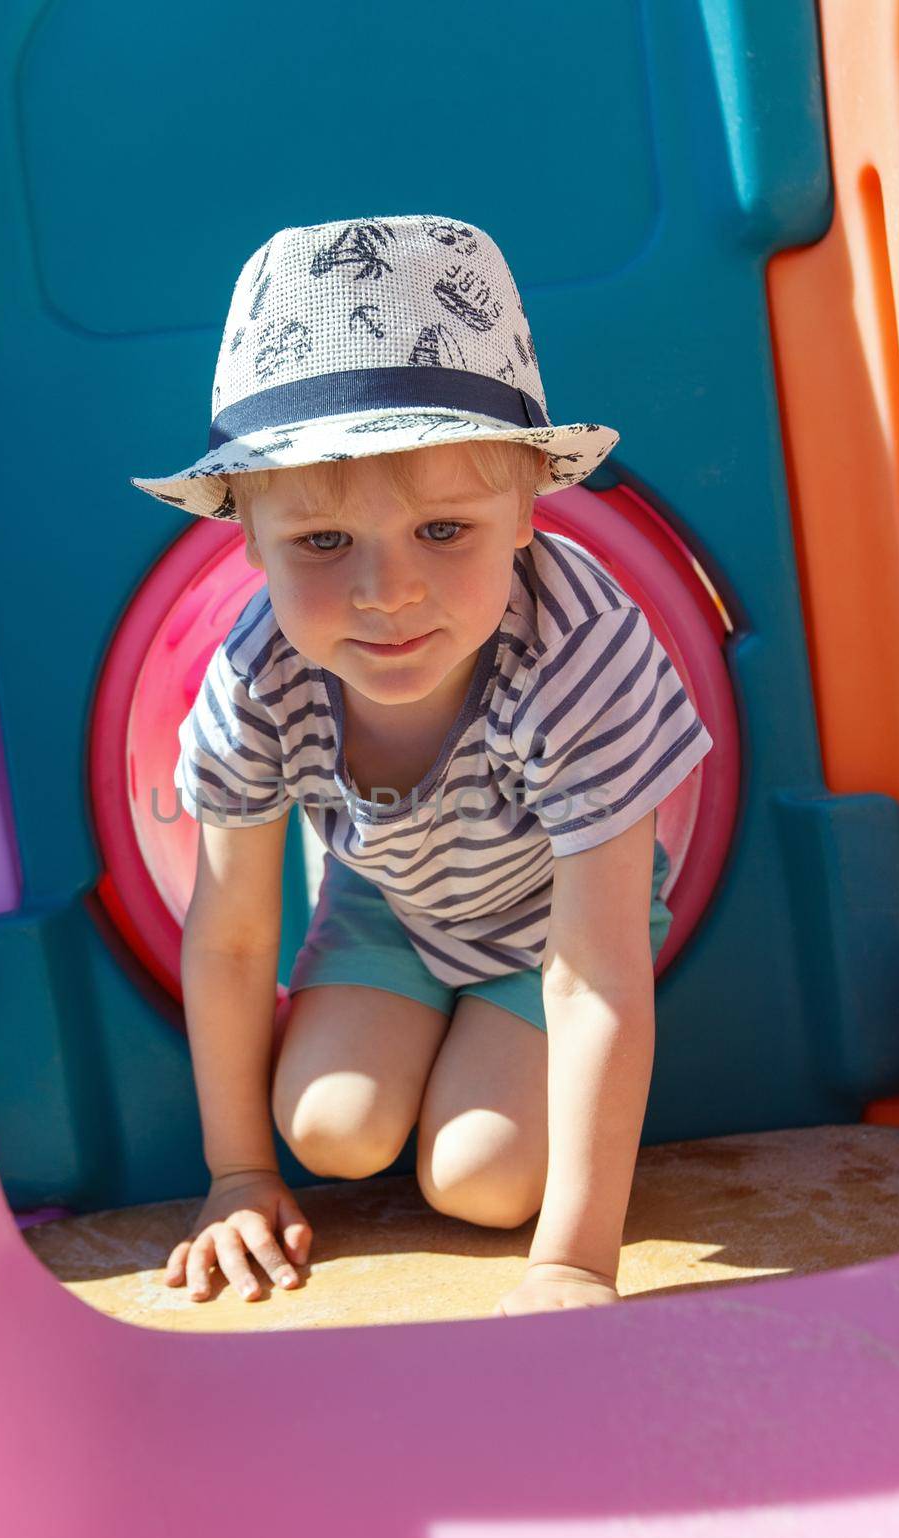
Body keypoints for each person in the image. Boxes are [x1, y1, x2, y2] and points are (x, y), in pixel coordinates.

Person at [129, 213, 714, 1317]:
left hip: (554, 922)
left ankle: (478, 1048)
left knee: (480, 1178)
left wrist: (574, 1263)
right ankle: (420, 1037)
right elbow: (233, 931)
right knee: (327, 1131)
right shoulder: (258, 677)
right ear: (246, 539)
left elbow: (594, 975)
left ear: (525, 511)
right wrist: (237, 1174)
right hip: (387, 905)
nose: (384, 594)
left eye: (443, 532)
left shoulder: (573, 655)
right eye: (321, 542)